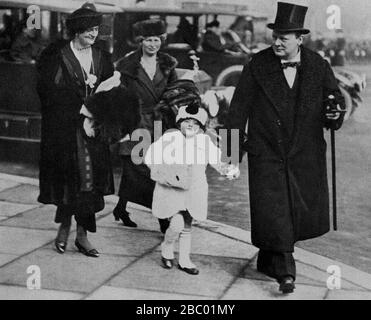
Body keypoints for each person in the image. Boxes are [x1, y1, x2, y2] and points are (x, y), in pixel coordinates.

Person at [226, 2, 345, 294]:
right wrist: (230, 155)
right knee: (274, 209)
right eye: (275, 36)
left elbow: (335, 103)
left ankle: (269, 258)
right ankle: (285, 271)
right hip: (266, 152)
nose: (277, 42)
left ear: (299, 39)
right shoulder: (257, 64)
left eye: (285, 37)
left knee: (293, 212)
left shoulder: (318, 65)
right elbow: (238, 109)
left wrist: (334, 115)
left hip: (305, 154)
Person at [37, 4, 115, 257]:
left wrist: (97, 113)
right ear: (77, 31)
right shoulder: (56, 55)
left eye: (95, 30)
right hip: (65, 131)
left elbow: (115, 94)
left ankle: (82, 236)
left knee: (90, 184)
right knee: (68, 181)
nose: (93, 35)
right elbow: (48, 93)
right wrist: (79, 111)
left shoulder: (102, 57)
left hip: (93, 131)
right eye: (89, 30)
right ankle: (64, 228)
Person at [145, 101, 240, 275]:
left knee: (187, 224)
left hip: (195, 188)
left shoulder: (204, 141)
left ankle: (184, 259)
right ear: (179, 122)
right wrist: (163, 170)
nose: (191, 125)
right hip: (174, 188)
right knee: (176, 222)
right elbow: (151, 155)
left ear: (201, 127)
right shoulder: (170, 138)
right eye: (187, 121)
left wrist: (228, 169)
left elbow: (216, 159)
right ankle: (167, 245)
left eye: (196, 123)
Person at [114, 19, 178, 230]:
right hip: (136, 122)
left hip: (160, 123)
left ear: (162, 41)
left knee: (152, 167)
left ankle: (121, 207)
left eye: (157, 40)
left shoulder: (168, 64)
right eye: (148, 40)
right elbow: (119, 96)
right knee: (143, 169)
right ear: (140, 41)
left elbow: (175, 92)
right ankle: (162, 219)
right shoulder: (128, 66)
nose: (153, 44)